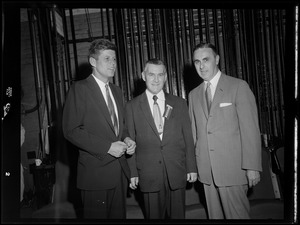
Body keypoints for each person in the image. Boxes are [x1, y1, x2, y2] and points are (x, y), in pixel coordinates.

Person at [62, 38, 136, 219]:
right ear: (93, 62)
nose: (113, 64)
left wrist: (126, 138)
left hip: (118, 173)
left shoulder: (117, 91)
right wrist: (108, 147)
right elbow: (71, 130)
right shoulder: (79, 89)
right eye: (107, 59)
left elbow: (120, 127)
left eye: (114, 59)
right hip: (95, 175)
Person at [188, 42, 262, 219]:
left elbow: (250, 129)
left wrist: (252, 167)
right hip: (206, 172)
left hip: (233, 170)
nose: (201, 65)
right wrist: (194, 166)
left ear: (217, 59)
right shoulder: (193, 94)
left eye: (206, 60)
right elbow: (194, 133)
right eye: (197, 62)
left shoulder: (238, 86)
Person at [125, 58, 197, 219]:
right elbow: (129, 140)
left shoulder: (179, 103)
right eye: (151, 74)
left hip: (176, 171)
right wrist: (132, 172)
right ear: (143, 76)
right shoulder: (131, 106)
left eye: (160, 75)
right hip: (148, 173)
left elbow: (188, 137)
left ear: (166, 77)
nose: (156, 79)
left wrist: (191, 167)